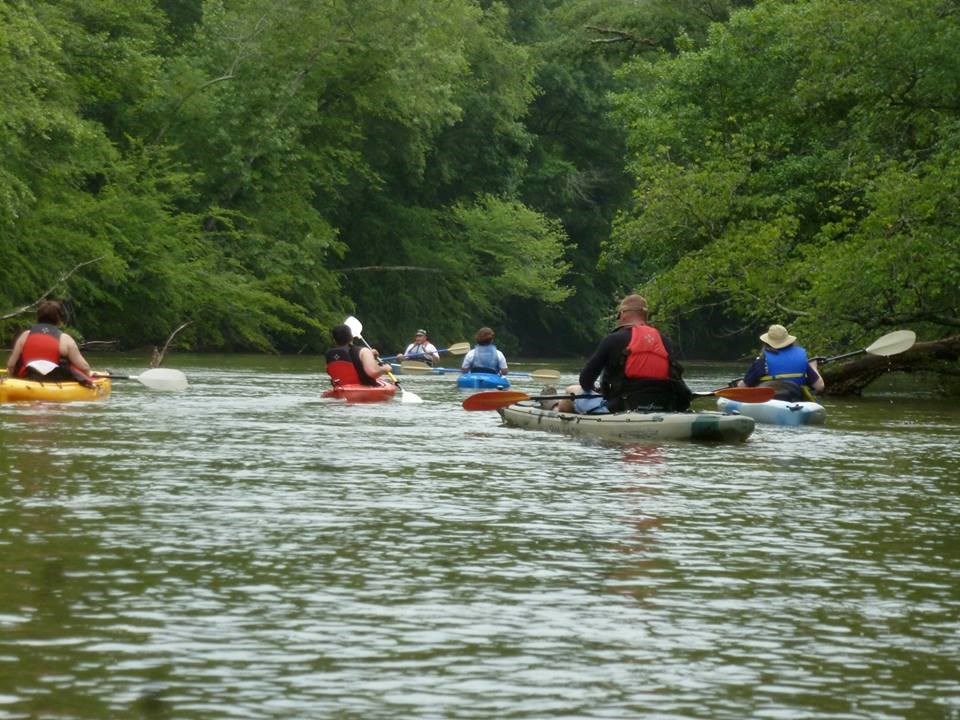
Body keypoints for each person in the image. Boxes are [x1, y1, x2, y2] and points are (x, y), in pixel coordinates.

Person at [555, 294, 691, 414]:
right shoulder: (664, 341)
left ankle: (555, 410)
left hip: (621, 408)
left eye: (619, 315)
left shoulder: (613, 339)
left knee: (571, 391)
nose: (619, 319)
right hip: (664, 406)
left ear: (624, 313)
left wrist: (598, 391)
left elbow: (585, 381)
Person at [6, 299, 94, 383]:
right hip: (55, 382)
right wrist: (89, 377)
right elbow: (84, 367)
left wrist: (11, 379)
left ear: (38, 316)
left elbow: (11, 365)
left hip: (28, 379)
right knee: (70, 365)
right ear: (58, 319)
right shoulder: (65, 339)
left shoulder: (25, 335)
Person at [738, 324, 824, 401]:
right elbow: (819, 386)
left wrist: (740, 383)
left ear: (767, 343)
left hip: (769, 402)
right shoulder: (802, 361)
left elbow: (742, 388)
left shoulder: (761, 361)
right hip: (794, 400)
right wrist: (813, 367)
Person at [324, 324, 393, 387]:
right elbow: (373, 373)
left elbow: (331, 370)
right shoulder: (364, 351)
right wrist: (385, 368)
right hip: (364, 390)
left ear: (334, 340)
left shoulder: (330, 355)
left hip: (342, 389)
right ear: (352, 337)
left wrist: (370, 355)